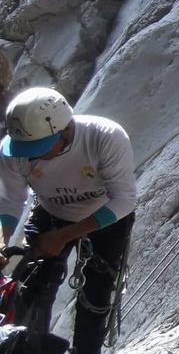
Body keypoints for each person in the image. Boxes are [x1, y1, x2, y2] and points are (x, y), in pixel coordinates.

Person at [0, 87, 137, 354]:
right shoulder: (15, 152)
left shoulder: (104, 137)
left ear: (65, 130)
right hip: (51, 213)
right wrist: (3, 243)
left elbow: (124, 199)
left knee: (95, 299)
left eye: (39, 148)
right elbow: (11, 201)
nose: (31, 156)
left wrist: (64, 235)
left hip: (105, 219)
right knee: (32, 291)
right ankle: (28, 347)